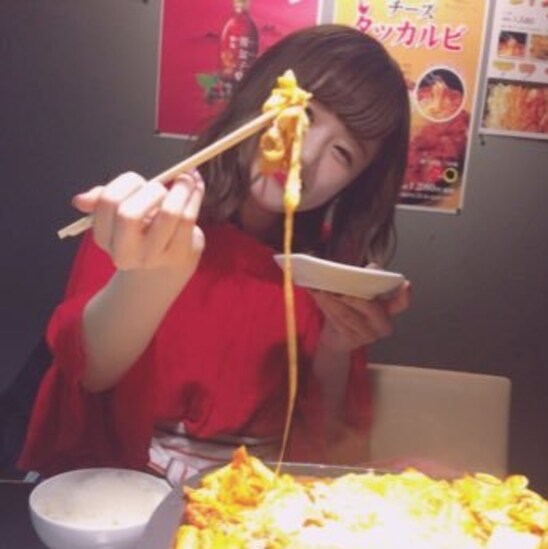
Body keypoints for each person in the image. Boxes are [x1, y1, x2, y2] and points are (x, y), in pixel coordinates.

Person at [18, 24, 411, 480]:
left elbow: (326, 445)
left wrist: (337, 346)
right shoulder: (150, 214)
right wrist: (151, 277)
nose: (304, 156)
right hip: (122, 487)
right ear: (260, 97)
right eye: (302, 114)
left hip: (250, 495)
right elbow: (90, 374)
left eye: (342, 153)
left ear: (356, 182)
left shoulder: (327, 273)